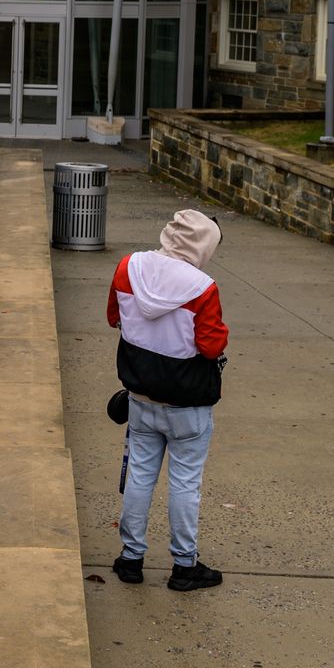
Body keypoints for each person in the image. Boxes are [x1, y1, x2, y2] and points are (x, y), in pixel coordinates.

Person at [107, 208, 228, 592]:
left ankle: (131, 558)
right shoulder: (202, 286)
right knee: (185, 484)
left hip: (141, 393)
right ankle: (183, 565)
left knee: (141, 475)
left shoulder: (130, 266)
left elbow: (114, 317)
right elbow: (211, 346)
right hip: (187, 403)